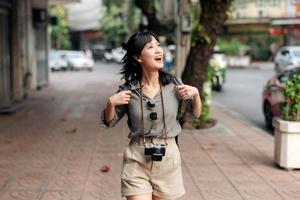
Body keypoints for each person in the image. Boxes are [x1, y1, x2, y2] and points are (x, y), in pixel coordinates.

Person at [101, 31, 202, 200]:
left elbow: (196, 112)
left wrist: (196, 94)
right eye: (150, 47)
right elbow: (108, 122)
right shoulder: (128, 89)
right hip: (137, 157)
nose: (158, 50)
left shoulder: (173, 84)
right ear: (138, 57)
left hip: (168, 158)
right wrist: (111, 103)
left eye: (158, 45)